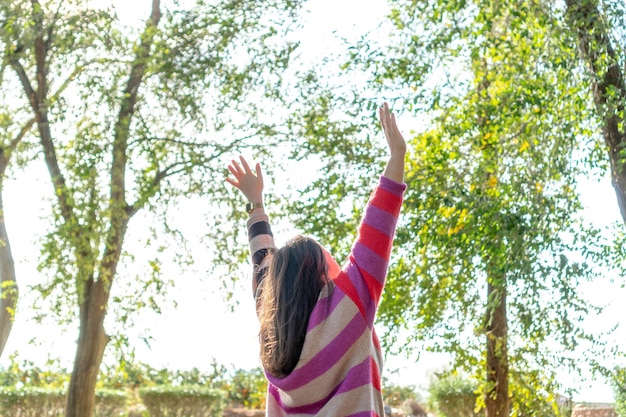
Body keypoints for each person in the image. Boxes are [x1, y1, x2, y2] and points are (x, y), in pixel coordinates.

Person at [225, 102, 407, 416]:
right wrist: (396, 159)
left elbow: (262, 261)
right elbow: (378, 229)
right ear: (319, 273)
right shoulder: (351, 304)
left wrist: (255, 203)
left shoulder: (274, 329)